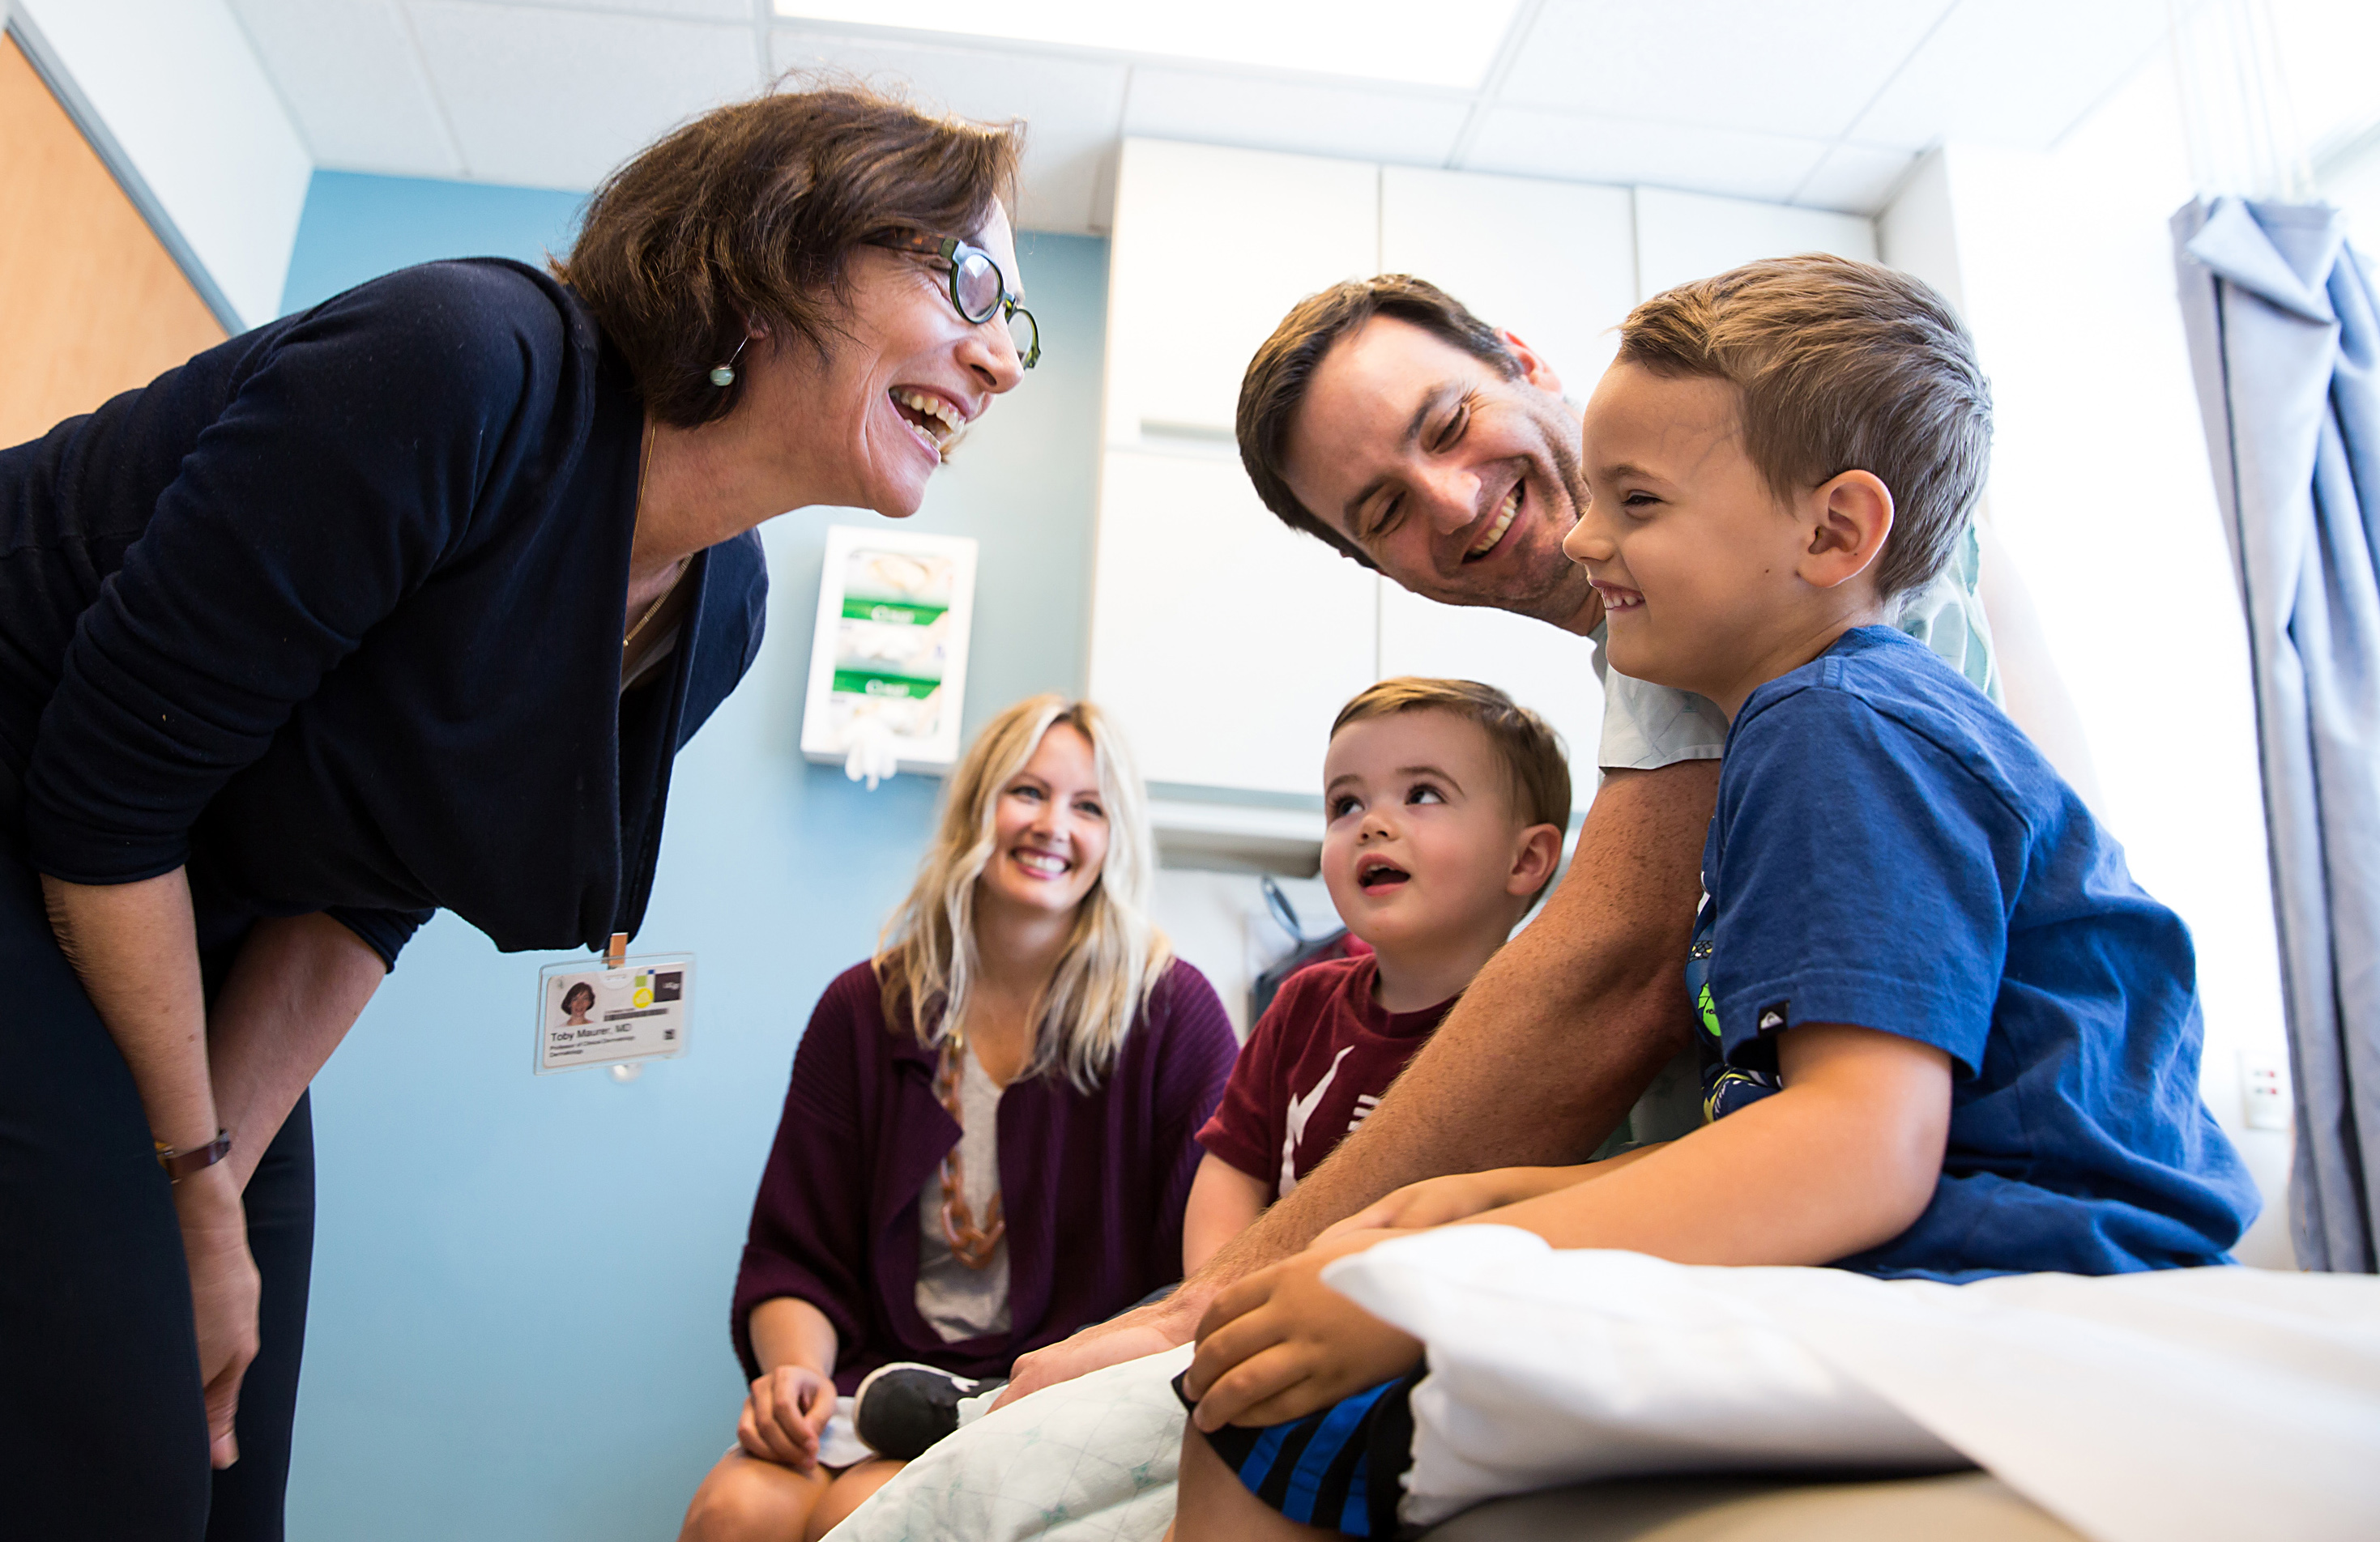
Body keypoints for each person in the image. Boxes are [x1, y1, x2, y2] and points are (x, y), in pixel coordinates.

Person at [0, 83, 1034, 1540]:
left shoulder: (714, 607)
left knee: (220, 1461)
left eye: (1016, 322)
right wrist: (191, 1183)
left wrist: (214, 1183)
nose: (999, 356)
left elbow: (370, 886)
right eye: (969, 280)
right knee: (109, 1455)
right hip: (50, 821)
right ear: (784, 242)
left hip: (176, 909)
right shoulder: (465, 364)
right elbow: (105, 798)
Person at [1167, 254, 2258, 1540]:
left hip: (2023, 1262)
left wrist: (1436, 1276)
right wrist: (1467, 1205)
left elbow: (1860, 1147)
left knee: (1258, 1417)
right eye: (1380, 512)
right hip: (1977, 1231)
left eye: (1634, 502)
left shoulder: (1832, 723)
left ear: (1834, 534)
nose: (1580, 538)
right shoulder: (1821, 727)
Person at [999, 271, 2011, 1408]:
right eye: (1379, 512)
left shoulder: (1815, 654)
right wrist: (1451, 1214)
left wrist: (1214, 1308)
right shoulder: (1678, 665)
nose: (1445, 498)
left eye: (1446, 423)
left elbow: (1614, 976)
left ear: (1525, 360)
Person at [677, 695, 1239, 1542]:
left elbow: (1203, 1280)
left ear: (1115, 839)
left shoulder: (1172, 1012)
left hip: (1057, 1394)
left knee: (855, 1515)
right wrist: (793, 1371)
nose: (1054, 825)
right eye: (1027, 791)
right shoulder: (864, 1008)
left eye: (1089, 806)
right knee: (735, 1510)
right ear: (978, 804)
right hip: (873, 1383)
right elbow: (798, 1253)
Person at [1184, 678, 1567, 1274]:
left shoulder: (1543, 1030)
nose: (1373, 823)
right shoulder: (1301, 1003)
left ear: (1525, 860)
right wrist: (1208, 1297)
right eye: (1346, 805)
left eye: (1423, 794)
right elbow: (1232, 1173)